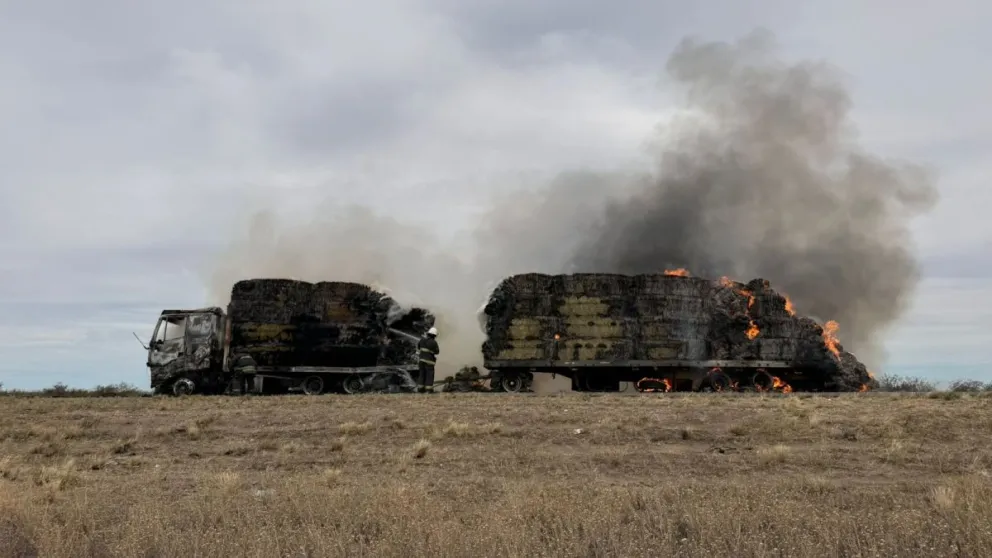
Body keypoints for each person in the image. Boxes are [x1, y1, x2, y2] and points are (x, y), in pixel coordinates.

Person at [417, 327, 439, 393]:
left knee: (422, 374)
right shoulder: (434, 342)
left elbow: (418, 348)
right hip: (429, 361)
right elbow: (437, 352)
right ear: (435, 335)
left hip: (421, 361)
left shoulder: (422, 340)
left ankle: (420, 389)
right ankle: (428, 390)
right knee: (429, 375)